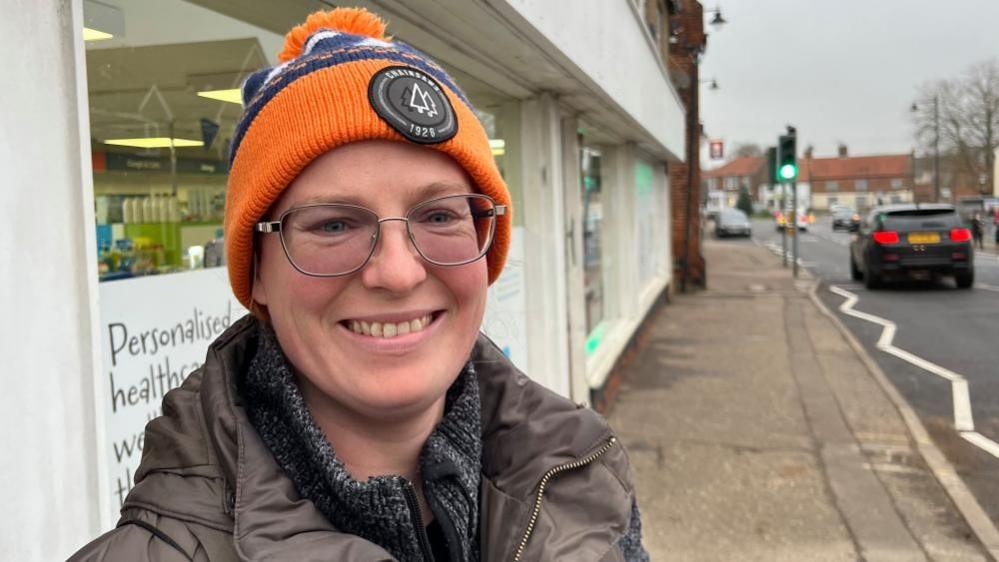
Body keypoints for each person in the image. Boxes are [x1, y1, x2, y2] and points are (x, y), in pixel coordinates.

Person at [71, 8, 649, 562]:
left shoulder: (579, 473)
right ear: (258, 274)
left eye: (440, 215)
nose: (397, 273)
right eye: (334, 224)